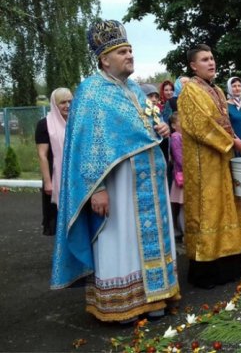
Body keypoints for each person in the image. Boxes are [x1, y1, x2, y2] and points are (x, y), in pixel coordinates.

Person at [51, 20, 179, 322]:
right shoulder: (91, 92)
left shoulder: (134, 89)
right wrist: (96, 189)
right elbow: (86, 146)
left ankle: (155, 298)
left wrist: (159, 127)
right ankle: (122, 304)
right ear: (104, 59)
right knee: (120, 240)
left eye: (131, 50)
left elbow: (146, 128)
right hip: (117, 186)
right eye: (123, 51)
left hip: (149, 182)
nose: (130, 55)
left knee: (149, 241)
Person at [178, 44, 241, 288]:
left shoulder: (217, 90)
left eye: (212, 58)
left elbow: (224, 123)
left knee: (227, 207)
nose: (211, 63)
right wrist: (231, 143)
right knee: (207, 211)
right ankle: (206, 270)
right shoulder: (189, 92)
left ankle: (229, 264)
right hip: (203, 164)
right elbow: (201, 127)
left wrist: (235, 140)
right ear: (193, 66)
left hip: (223, 158)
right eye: (205, 59)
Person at [35, 88, 72, 235]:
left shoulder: (75, 123)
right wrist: (48, 182)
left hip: (74, 177)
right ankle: (60, 254)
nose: (67, 105)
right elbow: (42, 155)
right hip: (54, 177)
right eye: (62, 102)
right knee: (57, 219)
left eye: (70, 101)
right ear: (54, 104)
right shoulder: (45, 125)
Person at [169, 112, 185, 240]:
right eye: (181, 121)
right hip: (182, 175)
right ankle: (183, 230)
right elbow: (179, 158)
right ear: (174, 125)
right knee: (183, 204)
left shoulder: (182, 136)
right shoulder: (176, 137)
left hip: (184, 174)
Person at [226, 76, 241, 144]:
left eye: (239, 86)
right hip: (237, 143)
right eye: (234, 86)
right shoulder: (225, 106)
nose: (237, 88)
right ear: (229, 88)